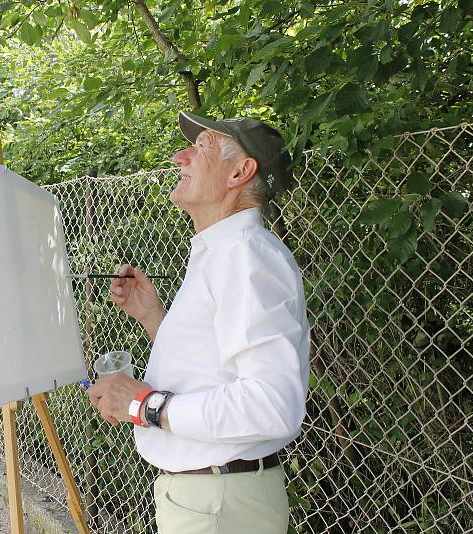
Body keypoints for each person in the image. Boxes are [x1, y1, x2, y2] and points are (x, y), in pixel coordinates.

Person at [86, 111, 310, 534]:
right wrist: (154, 317)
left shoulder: (244, 256)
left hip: (219, 504)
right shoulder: (223, 251)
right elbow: (212, 370)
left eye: (200, 147)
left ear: (240, 172)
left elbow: (272, 405)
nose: (179, 156)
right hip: (213, 498)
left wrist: (143, 404)